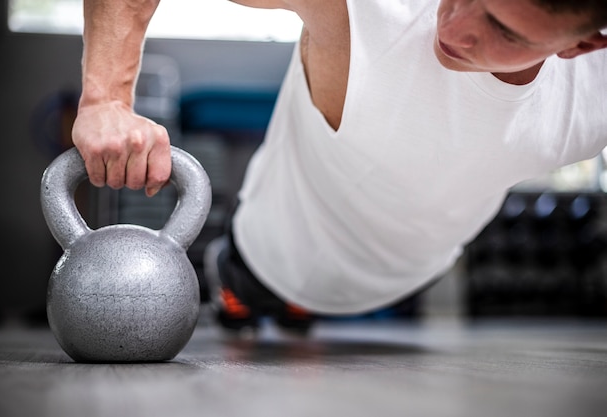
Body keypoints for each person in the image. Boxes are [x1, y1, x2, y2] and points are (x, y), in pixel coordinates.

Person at [72, 0, 607, 333]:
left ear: (583, 44)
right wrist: (106, 100)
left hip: (411, 273)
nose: (455, 25)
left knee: (302, 310)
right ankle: (240, 291)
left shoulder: (593, 94)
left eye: (504, 30)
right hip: (270, 255)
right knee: (250, 289)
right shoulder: (367, 7)